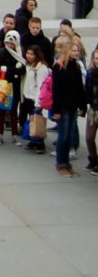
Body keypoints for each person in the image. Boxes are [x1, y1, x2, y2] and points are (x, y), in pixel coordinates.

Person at [51, 35, 86, 176]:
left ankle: (67, 164)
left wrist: (82, 105)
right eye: (74, 51)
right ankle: (61, 163)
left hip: (73, 105)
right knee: (63, 136)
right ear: (67, 51)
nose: (76, 53)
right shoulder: (58, 67)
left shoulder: (76, 66)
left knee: (70, 136)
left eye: (77, 51)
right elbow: (57, 91)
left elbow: (79, 88)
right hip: (63, 106)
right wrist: (57, 110)